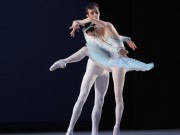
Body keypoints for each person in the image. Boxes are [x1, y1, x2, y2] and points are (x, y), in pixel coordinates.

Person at [50, 2, 154, 135]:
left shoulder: (105, 25)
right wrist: (78, 22)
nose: (95, 15)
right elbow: (102, 43)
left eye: (97, 12)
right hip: (95, 64)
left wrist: (125, 40)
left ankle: (96, 132)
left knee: (100, 101)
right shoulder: (88, 31)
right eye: (92, 13)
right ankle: (70, 130)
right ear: (88, 16)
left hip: (107, 65)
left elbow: (113, 35)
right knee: (82, 96)